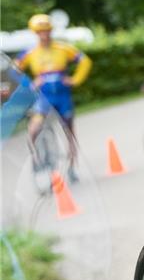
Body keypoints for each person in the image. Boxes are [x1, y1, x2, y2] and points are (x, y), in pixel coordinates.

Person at [16, 13, 92, 178]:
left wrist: (75, 79)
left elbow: (85, 61)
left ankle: (72, 167)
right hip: (43, 98)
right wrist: (29, 84)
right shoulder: (30, 52)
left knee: (69, 132)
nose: (44, 35)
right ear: (35, 33)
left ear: (50, 31)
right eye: (40, 32)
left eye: (46, 31)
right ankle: (38, 159)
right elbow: (14, 70)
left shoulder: (63, 48)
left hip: (63, 97)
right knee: (34, 128)